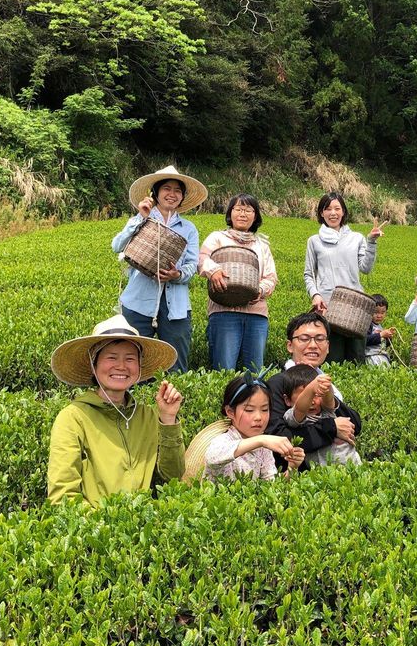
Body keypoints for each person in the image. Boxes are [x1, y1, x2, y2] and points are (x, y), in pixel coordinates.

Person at [47, 315, 185, 506]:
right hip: (95, 530)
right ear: (93, 365)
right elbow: (62, 497)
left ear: (138, 366)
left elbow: (173, 478)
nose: (121, 366)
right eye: (111, 357)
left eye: (130, 359)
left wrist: (168, 419)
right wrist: (108, 528)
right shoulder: (73, 418)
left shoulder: (148, 416)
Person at [112, 165, 206, 373]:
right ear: (155, 193)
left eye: (177, 191)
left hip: (176, 307)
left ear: (182, 197)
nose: (172, 194)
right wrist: (140, 218)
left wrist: (177, 275)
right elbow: (117, 246)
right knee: (134, 362)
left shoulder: (189, 229)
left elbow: (192, 266)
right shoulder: (141, 219)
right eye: (167, 188)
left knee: (176, 363)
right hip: (138, 302)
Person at [265, 313, 362, 471]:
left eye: (320, 338)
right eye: (304, 339)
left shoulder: (325, 381)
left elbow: (354, 425)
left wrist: (331, 403)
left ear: (328, 346)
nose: (313, 345)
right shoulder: (278, 383)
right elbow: (279, 437)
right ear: (289, 345)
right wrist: (332, 428)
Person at [198, 194, 278, 372]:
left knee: (255, 370)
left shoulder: (261, 246)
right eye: (239, 209)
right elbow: (201, 258)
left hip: (256, 315)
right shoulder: (217, 237)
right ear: (230, 213)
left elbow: (271, 277)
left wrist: (260, 291)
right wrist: (214, 271)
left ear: (255, 216)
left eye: (249, 210)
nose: (243, 214)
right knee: (224, 370)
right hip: (224, 311)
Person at [304, 192, 386, 363]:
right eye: (328, 209)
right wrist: (315, 295)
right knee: (334, 358)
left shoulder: (356, 238)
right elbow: (309, 274)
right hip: (329, 306)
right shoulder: (314, 241)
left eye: (337, 208)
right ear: (321, 213)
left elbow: (366, 268)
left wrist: (371, 242)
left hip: (355, 307)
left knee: (356, 357)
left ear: (343, 212)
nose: (332, 213)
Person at [203, 375, 304, 481]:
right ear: (230, 412)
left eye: (264, 410)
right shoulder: (223, 440)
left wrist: (292, 467)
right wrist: (261, 440)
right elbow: (212, 458)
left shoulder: (263, 448)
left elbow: (272, 484)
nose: (258, 417)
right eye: (249, 410)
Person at [281, 364, 363, 466]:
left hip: (353, 467)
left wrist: (325, 385)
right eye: (306, 395)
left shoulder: (327, 412)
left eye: (317, 395)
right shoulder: (293, 417)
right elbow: (300, 409)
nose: (312, 401)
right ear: (287, 400)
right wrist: (311, 389)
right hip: (322, 474)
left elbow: (329, 400)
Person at [365, 294, 395, 366]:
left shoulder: (379, 326)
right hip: (371, 356)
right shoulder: (367, 324)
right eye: (376, 312)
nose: (379, 316)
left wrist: (388, 338)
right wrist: (381, 335)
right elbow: (365, 340)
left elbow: (383, 345)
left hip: (381, 355)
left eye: (382, 312)